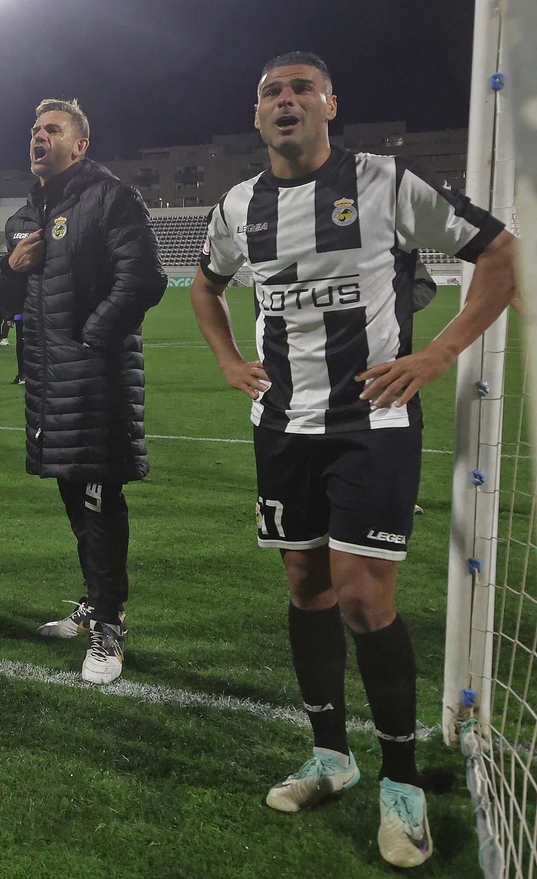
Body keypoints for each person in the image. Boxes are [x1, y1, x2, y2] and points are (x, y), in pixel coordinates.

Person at [191, 52, 516, 868]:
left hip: (372, 420)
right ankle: (331, 756)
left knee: (366, 598)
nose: (286, 99)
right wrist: (228, 361)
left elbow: (500, 254)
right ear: (257, 114)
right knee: (307, 586)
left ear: (330, 104)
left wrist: (436, 356)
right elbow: (204, 284)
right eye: (271, 91)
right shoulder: (239, 205)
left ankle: (401, 782)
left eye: (301, 88)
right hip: (280, 424)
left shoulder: (384, 182)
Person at [5, 98, 165, 686]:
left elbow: (143, 279)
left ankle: (110, 624)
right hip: (50, 388)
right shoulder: (26, 215)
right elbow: (5, 301)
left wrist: (90, 339)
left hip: (96, 382)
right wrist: (11, 268)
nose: (38, 136)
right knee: (77, 505)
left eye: (52, 129)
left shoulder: (112, 197)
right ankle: (96, 603)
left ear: (80, 144)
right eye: (34, 129)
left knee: (100, 505)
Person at [0, 202, 40, 385]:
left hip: (22, 299)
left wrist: (10, 311)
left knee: (22, 338)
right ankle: (28, 374)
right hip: (40, 297)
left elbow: (7, 277)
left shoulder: (14, 220)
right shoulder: (48, 216)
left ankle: (23, 374)